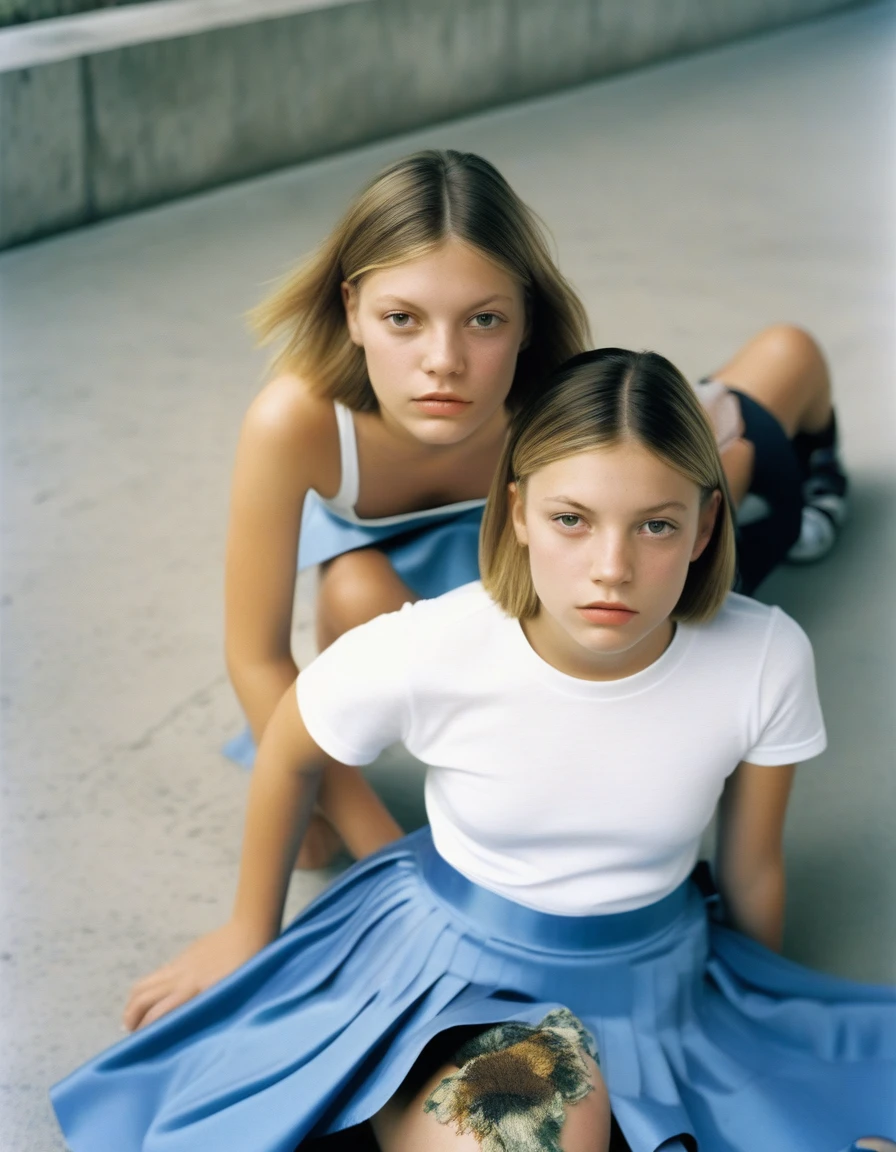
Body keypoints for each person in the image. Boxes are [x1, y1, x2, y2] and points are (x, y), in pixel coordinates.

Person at [52, 349, 894, 1152]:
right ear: (519, 511)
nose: (612, 567)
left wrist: (759, 1036)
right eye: (572, 520)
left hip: (657, 981)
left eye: (656, 526)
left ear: (707, 524)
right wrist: (249, 926)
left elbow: (751, 869)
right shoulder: (437, 644)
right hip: (450, 974)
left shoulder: (764, 658)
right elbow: (290, 744)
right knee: (545, 1119)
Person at [221, 148, 848, 871]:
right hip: (420, 591)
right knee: (351, 600)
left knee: (782, 360)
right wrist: (390, 863)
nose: (444, 361)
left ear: (525, 321)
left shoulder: (542, 396)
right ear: (352, 308)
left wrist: (717, 478)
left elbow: (635, 498)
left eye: (483, 320)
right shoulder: (294, 420)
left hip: (562, 556)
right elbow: (257, 655)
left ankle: (814, 474)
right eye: (404, 319)